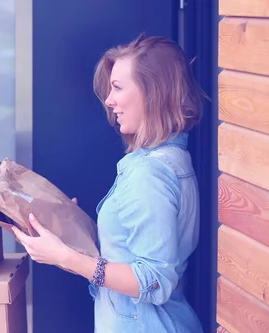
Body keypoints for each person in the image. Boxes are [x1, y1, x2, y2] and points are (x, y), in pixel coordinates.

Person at [12, 34, 206, 332]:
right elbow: (132, 250)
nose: (109, 99)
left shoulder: (149, 173)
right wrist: (73, 236)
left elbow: (155, 281)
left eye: (117, 87)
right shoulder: (165, 159)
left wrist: (66, 257)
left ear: (153, 92)